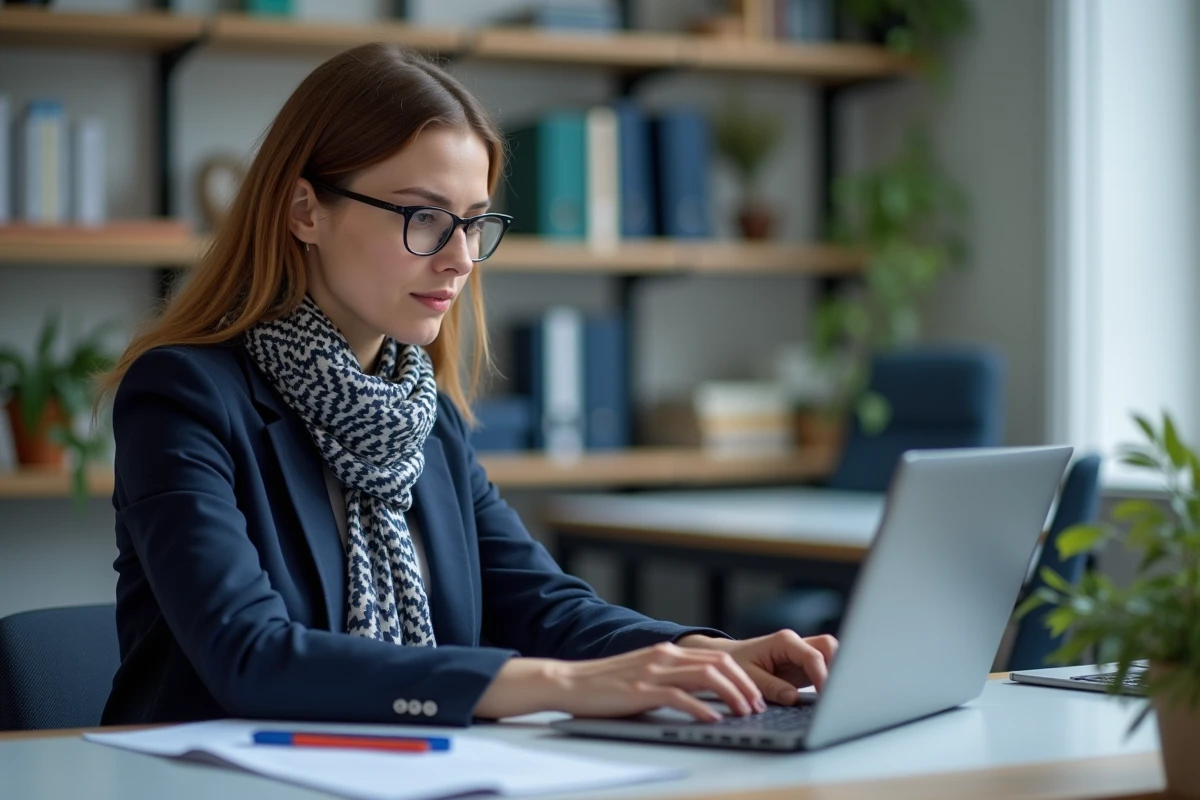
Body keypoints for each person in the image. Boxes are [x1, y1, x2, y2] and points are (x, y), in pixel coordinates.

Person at [96, 43, 836, 728]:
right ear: (305, 210)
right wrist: (561, 686)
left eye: (474, 223)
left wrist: (705, 652)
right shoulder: (184, 397)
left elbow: (545, 608)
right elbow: (251, 657)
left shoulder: (426, 418)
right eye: (424, 217)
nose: (459, 260)